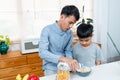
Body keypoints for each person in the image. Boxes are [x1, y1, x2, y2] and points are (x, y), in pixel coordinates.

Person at [39, 5, 80, 75]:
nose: (71, 26)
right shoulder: (47, 30)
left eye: (73, 24)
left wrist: (70, 63)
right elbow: (42, 53)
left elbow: (68, 50)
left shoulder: (70, 33)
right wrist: (64, 59)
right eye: (70, 22)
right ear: (62, 17)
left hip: (65, 66)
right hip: (50, 67)